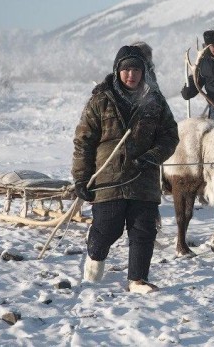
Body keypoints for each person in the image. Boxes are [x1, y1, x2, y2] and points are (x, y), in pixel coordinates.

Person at [72, 45, 179, 294]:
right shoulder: (101, 100)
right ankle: (95, 259)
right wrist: (81, 178)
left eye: (136, 69)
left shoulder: (155, 101)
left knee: (144, 229)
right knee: (108, 226)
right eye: (126, 69)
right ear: (117, 70)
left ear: (144, 72)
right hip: (109, 177)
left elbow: (170, 136)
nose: (131, 74)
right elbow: (83, 142)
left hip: (144, 177)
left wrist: (153, 157)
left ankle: (137, 280)